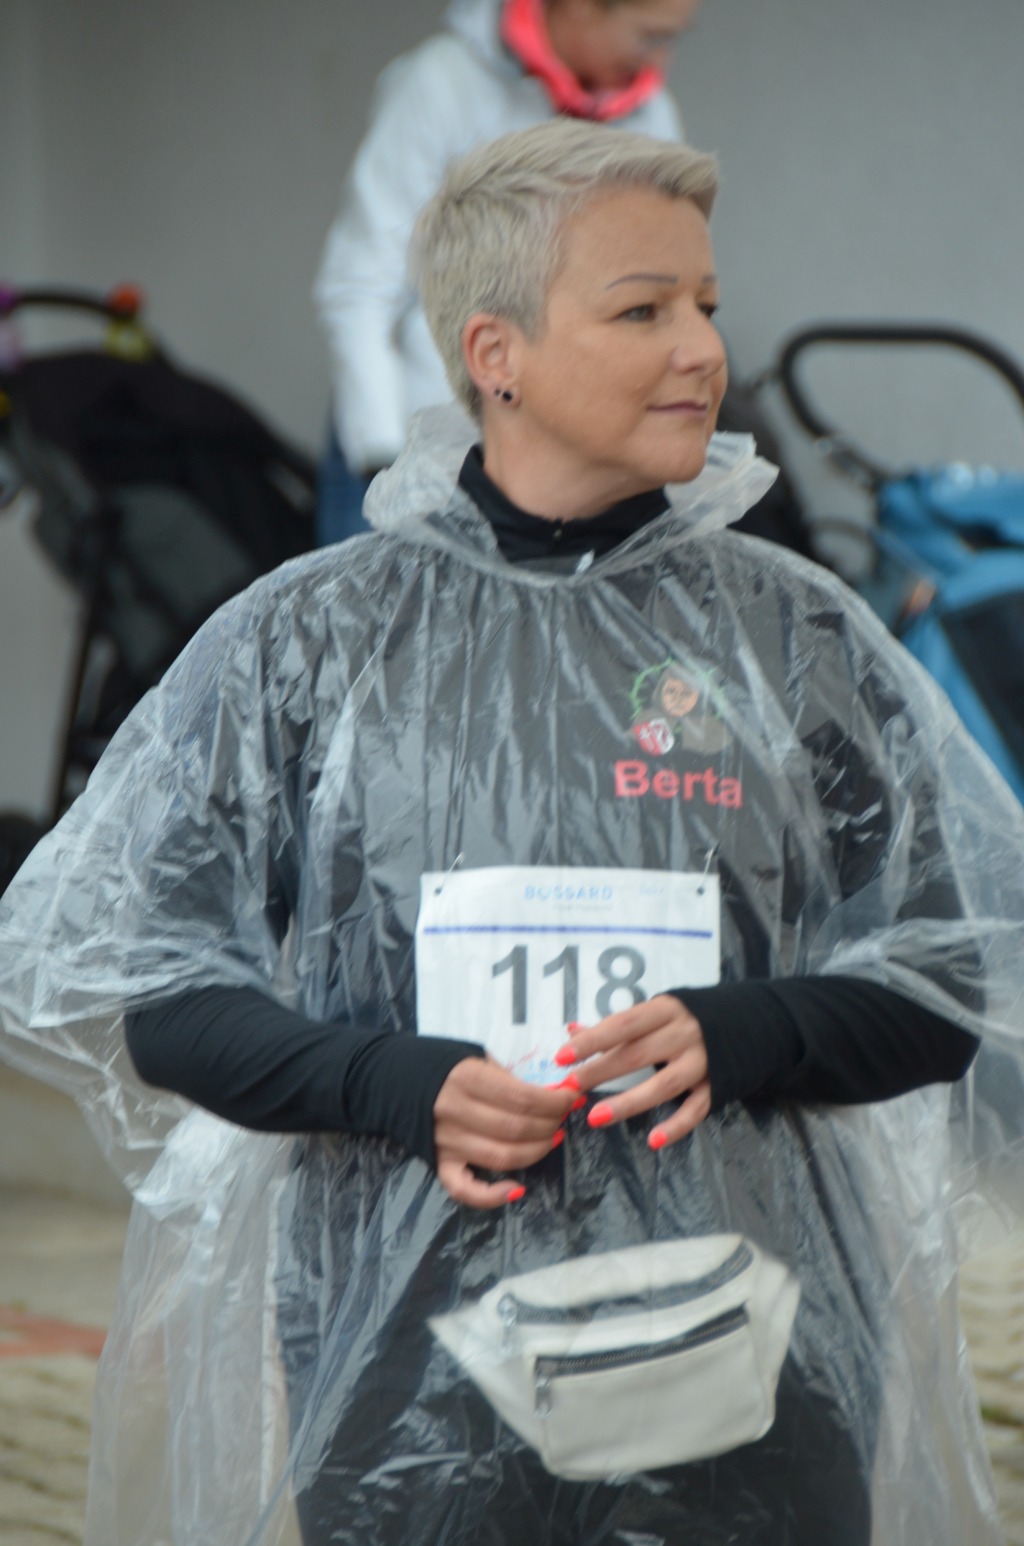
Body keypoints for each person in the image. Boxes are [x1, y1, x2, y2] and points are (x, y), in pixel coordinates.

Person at [1, 120, 1023, 1546]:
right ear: (498, 353)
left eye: (707, 304)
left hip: (758, 1360)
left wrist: (749, 1031)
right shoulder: (309, 645)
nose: (703, 351)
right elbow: (158, 993)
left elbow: (944, 986)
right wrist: (387, 1081)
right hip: (413, 1366)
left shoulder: (798, 641)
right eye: (643, 310)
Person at [313, 0, 697, 545]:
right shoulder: (444, 81)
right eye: (649, 37)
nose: (661, 61)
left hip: (555, 458)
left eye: (673, 38)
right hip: (413, 437)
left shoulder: (650, 112)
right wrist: (385, 458)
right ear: (581, 8)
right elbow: (361, 285)